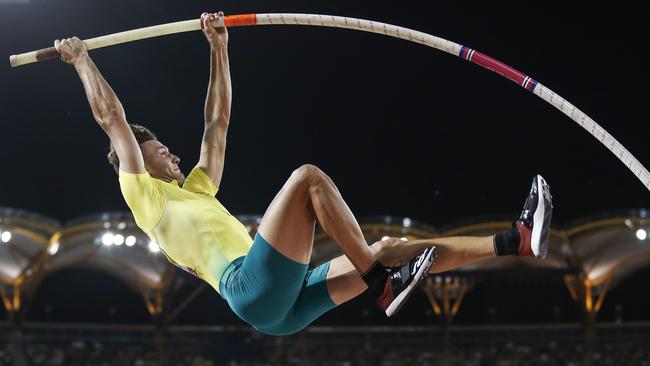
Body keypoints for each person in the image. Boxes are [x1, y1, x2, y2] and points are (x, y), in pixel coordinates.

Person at [54, 12, 552, 336]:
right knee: (308, 179)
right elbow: (112, 120)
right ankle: (381, 284)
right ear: (141, 164)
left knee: (385, 248)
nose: (175, 157)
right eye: (162, 152)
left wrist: (219, 47)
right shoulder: (146, 195)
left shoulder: (197, 191)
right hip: (249, 287)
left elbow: (217, 122)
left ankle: (515, 241)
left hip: (277, 303)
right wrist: (82, 61)